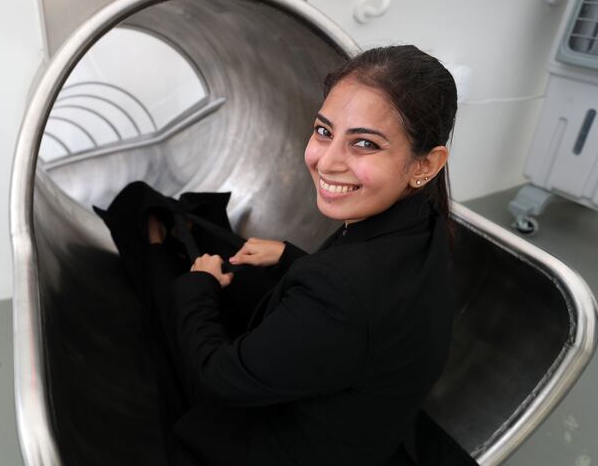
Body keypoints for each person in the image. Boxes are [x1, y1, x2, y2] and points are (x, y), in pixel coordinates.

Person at [99, 45, 460, 466]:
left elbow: (218, 379)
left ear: (426, 164)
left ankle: (157, 245)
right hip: (365, 425)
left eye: (364, 143)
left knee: (175, 303)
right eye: (324, 131)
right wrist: (290, 257)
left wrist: (197, 287)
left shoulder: (340, 289)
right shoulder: (428, 229)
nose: (327, 161)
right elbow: (364, 306)